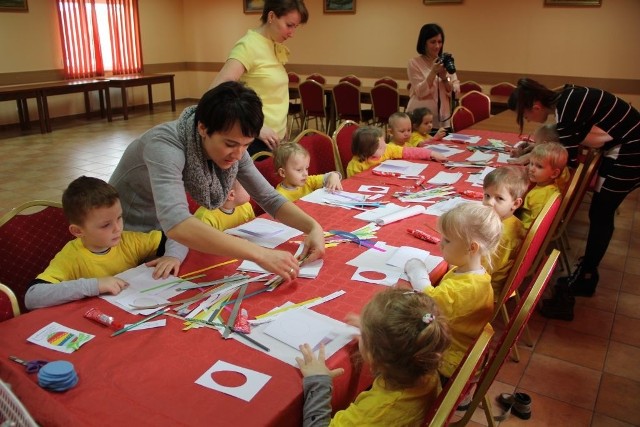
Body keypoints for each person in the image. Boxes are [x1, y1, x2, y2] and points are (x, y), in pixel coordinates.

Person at [109, 81, 325, 282]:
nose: (238, 154)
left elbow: (268, 197)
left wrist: (313, 227)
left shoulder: (232, 146)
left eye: (246, 145)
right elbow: (177, 223)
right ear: (203, 128)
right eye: (230, 144)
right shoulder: (164, 146)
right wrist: (260, 254)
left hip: (165, 237)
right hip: (121, 237)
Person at [510, 78, 640, 319]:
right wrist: (533, 154)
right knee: (600, 211)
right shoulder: (566, 99)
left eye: (525, 115)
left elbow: (564, 164)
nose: (528, 120)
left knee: (601, 212)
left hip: (632, 148)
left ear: (535, 106)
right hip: (620, 146)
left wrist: (533, 161)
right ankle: (587, 272)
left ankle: (587, 276)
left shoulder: (566, 114)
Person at [25, 177, 187, 310]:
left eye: (119, 218)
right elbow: (32, 296)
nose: (118, 228)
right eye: (105, 225)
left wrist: (173, 256)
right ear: (78, 231)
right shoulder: (72, 256)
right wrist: (95, 285)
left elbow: (178, 235)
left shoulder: (128, 240)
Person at [296, 288, 450, 426]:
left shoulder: (376, 413)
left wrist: (318, 382)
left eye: (364, 334)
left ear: (374, 357)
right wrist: (372, 330)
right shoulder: (423, 360)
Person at [404, 202, 502, 380]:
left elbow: (429, 300)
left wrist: (416, 270)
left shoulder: (463, 289)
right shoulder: (477, 274)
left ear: (471, 248)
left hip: (451, 363)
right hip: (467, 350)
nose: (441, 244)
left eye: (447, 240)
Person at [210, 0, 309, 155]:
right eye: (289, 25)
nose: (292, 33)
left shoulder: (273, 44)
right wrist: (256, 127)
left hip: (274, 139)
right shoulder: (249, 45)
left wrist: (282, 131)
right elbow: (218, 92)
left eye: (295, 27)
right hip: (254, 139)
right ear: (271, 16)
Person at [482, 166, 529, 298]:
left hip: (487, 290)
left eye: (499, 198)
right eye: (487, 195)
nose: (490, 203)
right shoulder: (513, 221)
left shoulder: (502, 236)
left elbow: (484, 270)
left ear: (515, 203)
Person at [407, 23, 460, 130]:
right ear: (424, 43)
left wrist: (445, 78)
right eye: (433, 42)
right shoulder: (414, 63)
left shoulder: (446, 61)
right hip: (420, 119)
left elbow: (456, 92)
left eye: (440, 42)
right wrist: (433, 73)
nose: (437, 46)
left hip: (442, 118)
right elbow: (420, 92)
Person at [346, 126, 445, 178]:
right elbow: (353, 185)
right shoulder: (355, 166)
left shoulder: (387, 149)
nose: (385, 145)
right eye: (380, 147)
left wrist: (431, 153)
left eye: (384, 142)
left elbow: (409, 152)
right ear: (366, 150)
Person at [517, 142, 568, 230]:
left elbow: (534, 227)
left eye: (539, 166)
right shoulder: (547, 185)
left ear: (554, 173)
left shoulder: (541, 196)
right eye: (531, 163)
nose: (531, 169)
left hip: (523, 230)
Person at [273, 141, 342, 201]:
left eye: (306, 168)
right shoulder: (279, 197)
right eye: (299, 170)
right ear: (282, 172)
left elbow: (327, 177)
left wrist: (334, 175)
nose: (305, 174)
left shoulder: (307, 181)